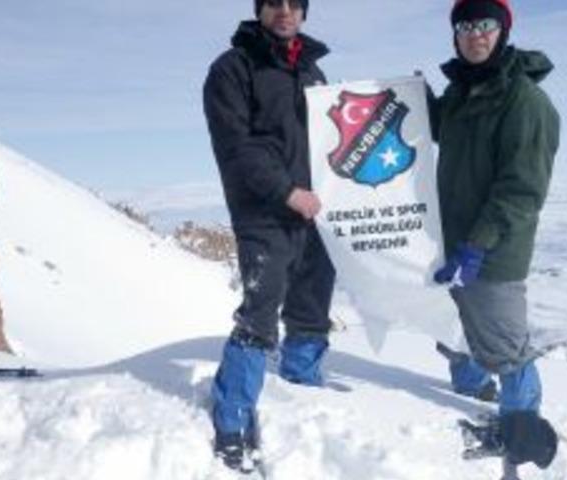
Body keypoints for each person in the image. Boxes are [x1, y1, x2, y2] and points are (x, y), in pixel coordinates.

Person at [202, 0, 335, 472]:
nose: (284, 11)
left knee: (311, 311)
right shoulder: (233, 68)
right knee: (260, 314)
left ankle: (301, 393)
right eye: (273, 3)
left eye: (293, 4)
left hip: (315, 211)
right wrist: (286, 192)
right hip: (264, 213)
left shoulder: (314, 72)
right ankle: (232, 417)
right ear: (259, 10)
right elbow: (236, 147)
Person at [431, 0, 560, 476]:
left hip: (494, 252)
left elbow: (523, 188)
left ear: (502, 31)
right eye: (465, 26)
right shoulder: (463, 92)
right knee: (456, 329)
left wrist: (478, 243)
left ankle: (520, 444)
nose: (475, 34)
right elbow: (435, 127)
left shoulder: (524, 100)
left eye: (485, 24)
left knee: (508, 351)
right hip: (454, 243)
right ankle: (470, 394)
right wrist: (406, 96)